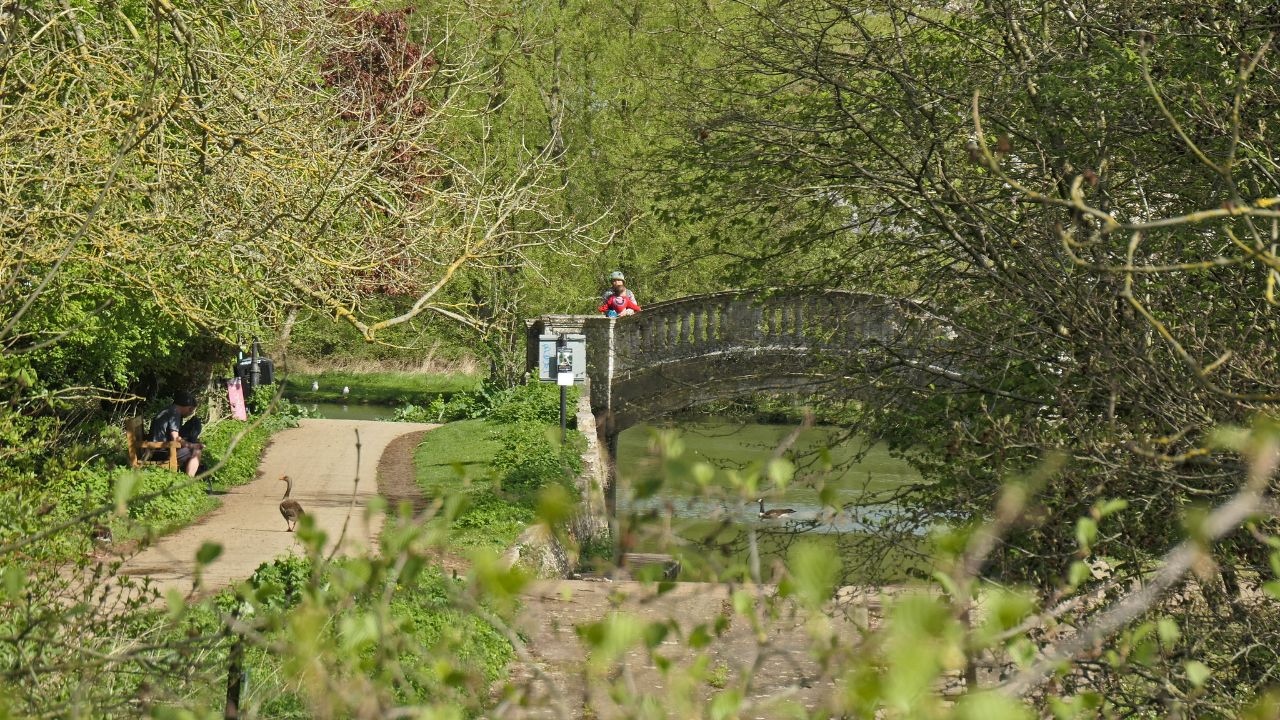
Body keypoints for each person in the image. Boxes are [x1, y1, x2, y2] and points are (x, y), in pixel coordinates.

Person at [149, 390, 205, 478]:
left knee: (195, 424)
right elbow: (176, 439)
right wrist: (192, 445)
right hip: (161, 452)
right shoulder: (174, 413)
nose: (190, 412)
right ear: (187, 407)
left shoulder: (171, 410)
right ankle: (188, 480)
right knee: (196, 450)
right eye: (190, 409)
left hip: (160, 448)